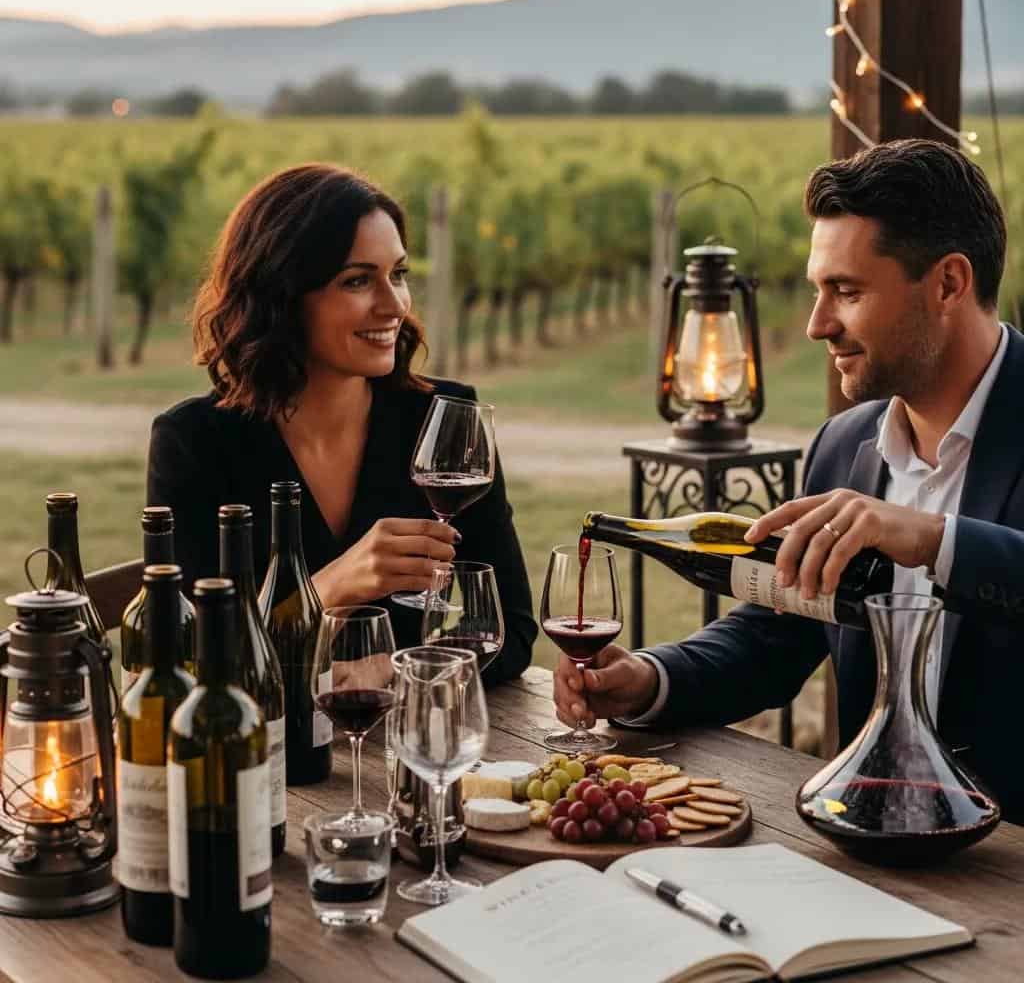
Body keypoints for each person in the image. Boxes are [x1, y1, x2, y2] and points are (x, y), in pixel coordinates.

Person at [554, 139, 1024, 822]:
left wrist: (932, 538)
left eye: (847, 291)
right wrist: (648, 682)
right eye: (817, 290)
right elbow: (775, 635)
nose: (816, 324)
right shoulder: (844, 445)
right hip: (873, 840)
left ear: (948, 283)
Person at [147, 163, 536, 685]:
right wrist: (330, 589)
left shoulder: (445, 419)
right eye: (357, 280)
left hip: (405, 751)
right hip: (264, 760)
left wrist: (398, 672)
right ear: (282, 296)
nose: (394, 304)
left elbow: (509, 627)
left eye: (398, 274)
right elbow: (196, 664)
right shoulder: (194, 443)